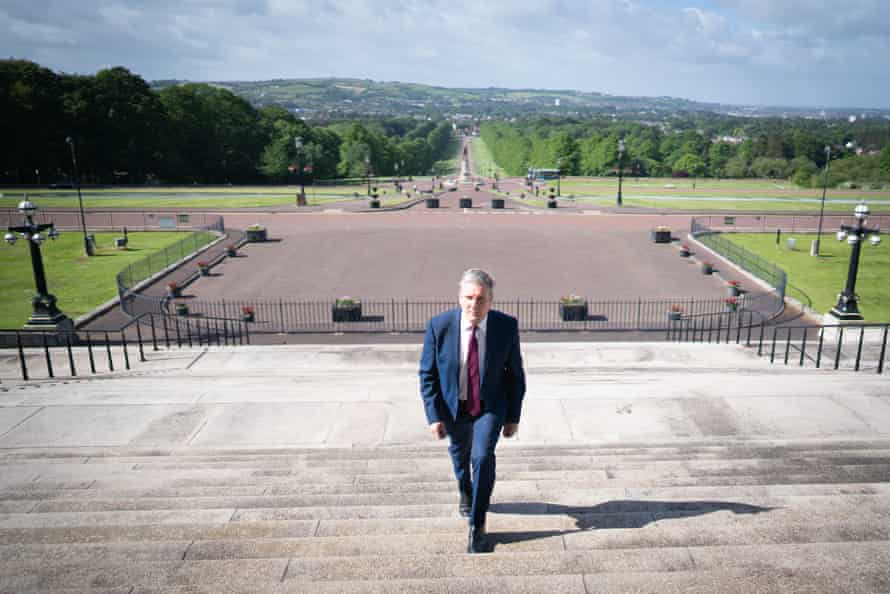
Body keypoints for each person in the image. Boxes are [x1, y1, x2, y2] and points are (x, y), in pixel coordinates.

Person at [418, 268, 526, 553]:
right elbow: (427, 375)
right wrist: (433, 416)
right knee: (460, 454)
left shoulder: (506, 326)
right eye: (468, 298)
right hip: (454, 408)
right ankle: (465, 489)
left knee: (482, 456)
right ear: (459, 297)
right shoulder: (439, 326)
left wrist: (513, 417)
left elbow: (516, 374)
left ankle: (477, 524)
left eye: (480, 299)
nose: (474, 305)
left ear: (491, 300)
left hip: (489, 407)